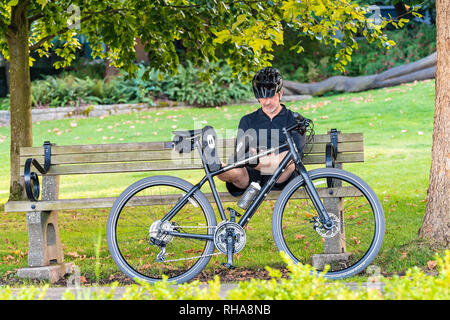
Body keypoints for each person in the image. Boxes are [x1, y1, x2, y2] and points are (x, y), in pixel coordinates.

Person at [217, 67, 306, 197]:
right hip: (252, 177)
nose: (267, 102)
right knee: (237, 170)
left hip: (282, 177)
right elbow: (241, 153)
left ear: (280, 94)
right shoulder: (247, 120)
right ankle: (217, 166)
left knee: (289, 158)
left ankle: (257, 161)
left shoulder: (294, 120)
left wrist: (261, 157)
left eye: (271, 96)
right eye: (262, 97)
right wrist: (251, 155)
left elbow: (296, 153)